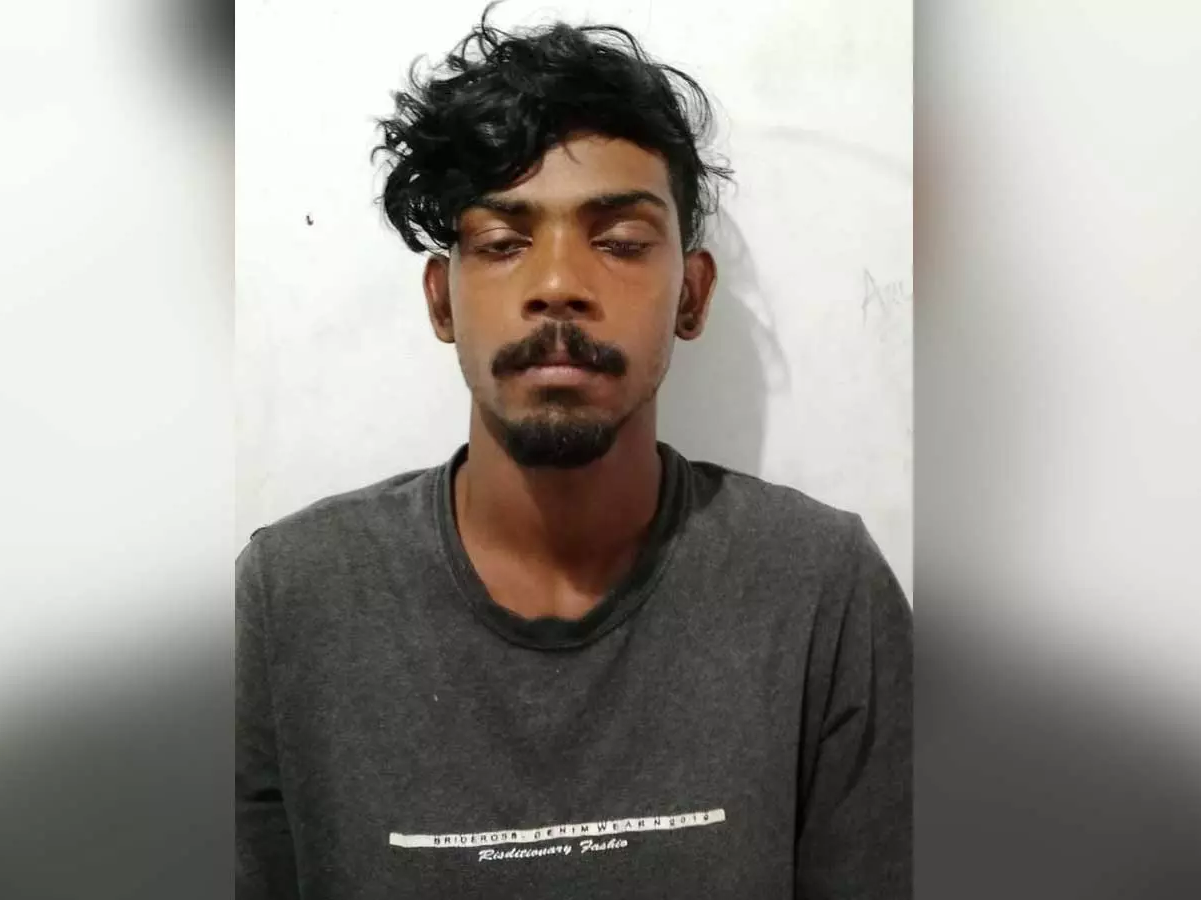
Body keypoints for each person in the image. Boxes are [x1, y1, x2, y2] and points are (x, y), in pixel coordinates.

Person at [236, 12, 912, 899]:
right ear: (441, 301)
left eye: (621, 242)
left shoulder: (820, 591)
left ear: (691, 295)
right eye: (502, 243)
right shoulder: (292, 601)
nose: (557, 284)